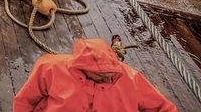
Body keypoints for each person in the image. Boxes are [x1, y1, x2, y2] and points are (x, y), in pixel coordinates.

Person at [14, 38, 177, 111]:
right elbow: (25, 100)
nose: (108, 78)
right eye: (101, 75)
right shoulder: (49, 67)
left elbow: (164, 108)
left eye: (111, 73)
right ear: (83, 70)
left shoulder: (131, 78)